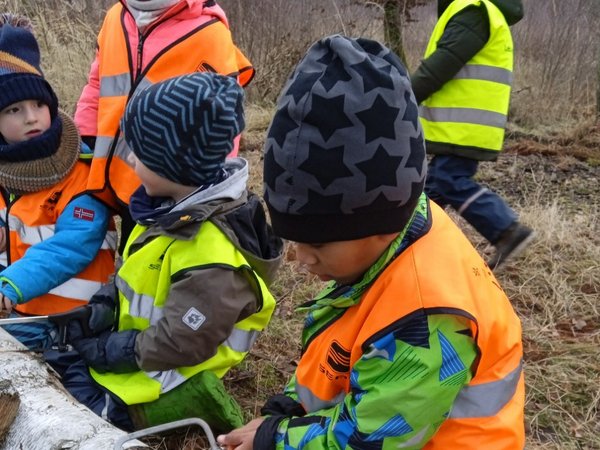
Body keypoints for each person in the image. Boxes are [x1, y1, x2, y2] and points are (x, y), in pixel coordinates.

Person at [217, 34, 525, 449]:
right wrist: (289, 412)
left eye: (319, 244)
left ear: (380, 225)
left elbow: (368, 440)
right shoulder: (386, 242)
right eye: (294, 238)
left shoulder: (425, 321)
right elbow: (340, 353)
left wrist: (277, 440)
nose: (299, 258)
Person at [54, 72, 283, 432]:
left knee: (70, 417)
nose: (129, 161)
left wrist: (114, 350)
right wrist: (104, 304)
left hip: (167, 378)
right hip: (139, 356)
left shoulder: (212, 254)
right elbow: (134, 271)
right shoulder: (167, 209)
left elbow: (184, 341)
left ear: (174, 164)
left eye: (138, 154)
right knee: (56, 367)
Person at [74, 0, 255, 249]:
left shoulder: (209, 33)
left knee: (155, 254)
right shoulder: (116, 17)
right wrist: (83, 136)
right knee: (123, 257)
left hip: (167, 186)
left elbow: (223, 117)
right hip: (107, 168)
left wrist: (211, 194)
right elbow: (97, 81)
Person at [0, 16, 116, 350]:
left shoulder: (80, 172)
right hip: (23, 316)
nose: (31, 116)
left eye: (39, 104)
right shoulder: (6, 174)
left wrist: (11, 284)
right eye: (14, 110)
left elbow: (73, 245)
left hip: (74, 324)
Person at [411, 0, 532, 270]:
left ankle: (506, 230)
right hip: (463, 125)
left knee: (449, 179)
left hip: (462, 126)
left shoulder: (475, 11)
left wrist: (404, 96)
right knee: (432, 190)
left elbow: (441, 66)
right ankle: (413, 244)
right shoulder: (479, 11)